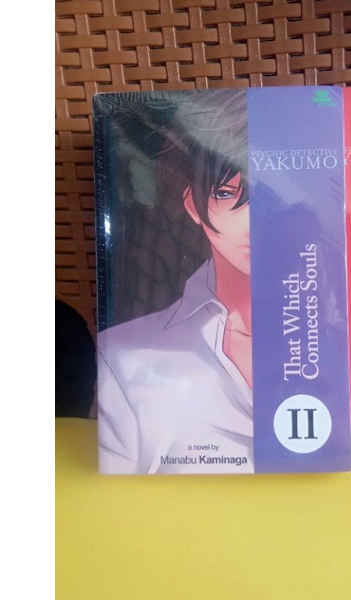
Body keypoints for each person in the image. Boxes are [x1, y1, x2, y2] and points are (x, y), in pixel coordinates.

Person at [98, 90, 254, 474]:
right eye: (225, 194)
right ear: (192, 206)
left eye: (269, 194)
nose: (253, 221)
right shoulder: (123, 356)